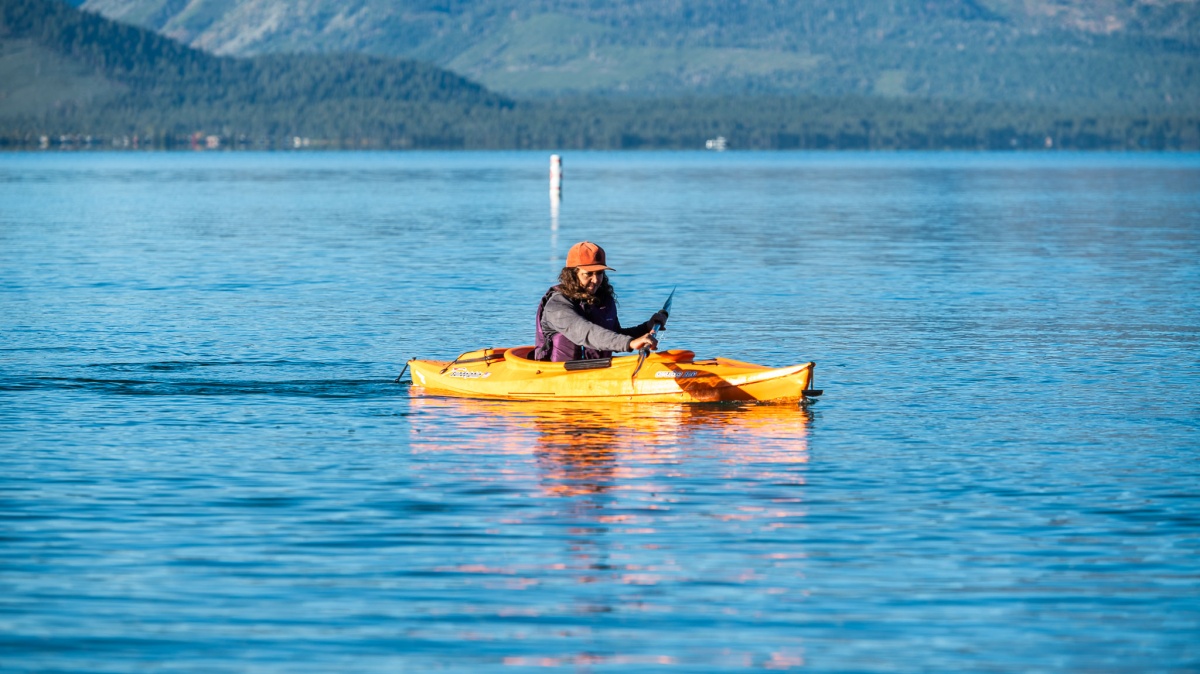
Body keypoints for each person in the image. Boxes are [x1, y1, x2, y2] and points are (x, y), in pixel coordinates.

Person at [535, 241, 668, 362]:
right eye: (588, 274)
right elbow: (585, 332)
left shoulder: (602, 300)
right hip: (558, 374)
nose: (596, 280)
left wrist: (645, 328)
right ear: (572, 274)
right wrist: (630, 343)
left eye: (599, 273)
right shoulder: (557, 306)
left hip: (597, 370)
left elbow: (613, 337)